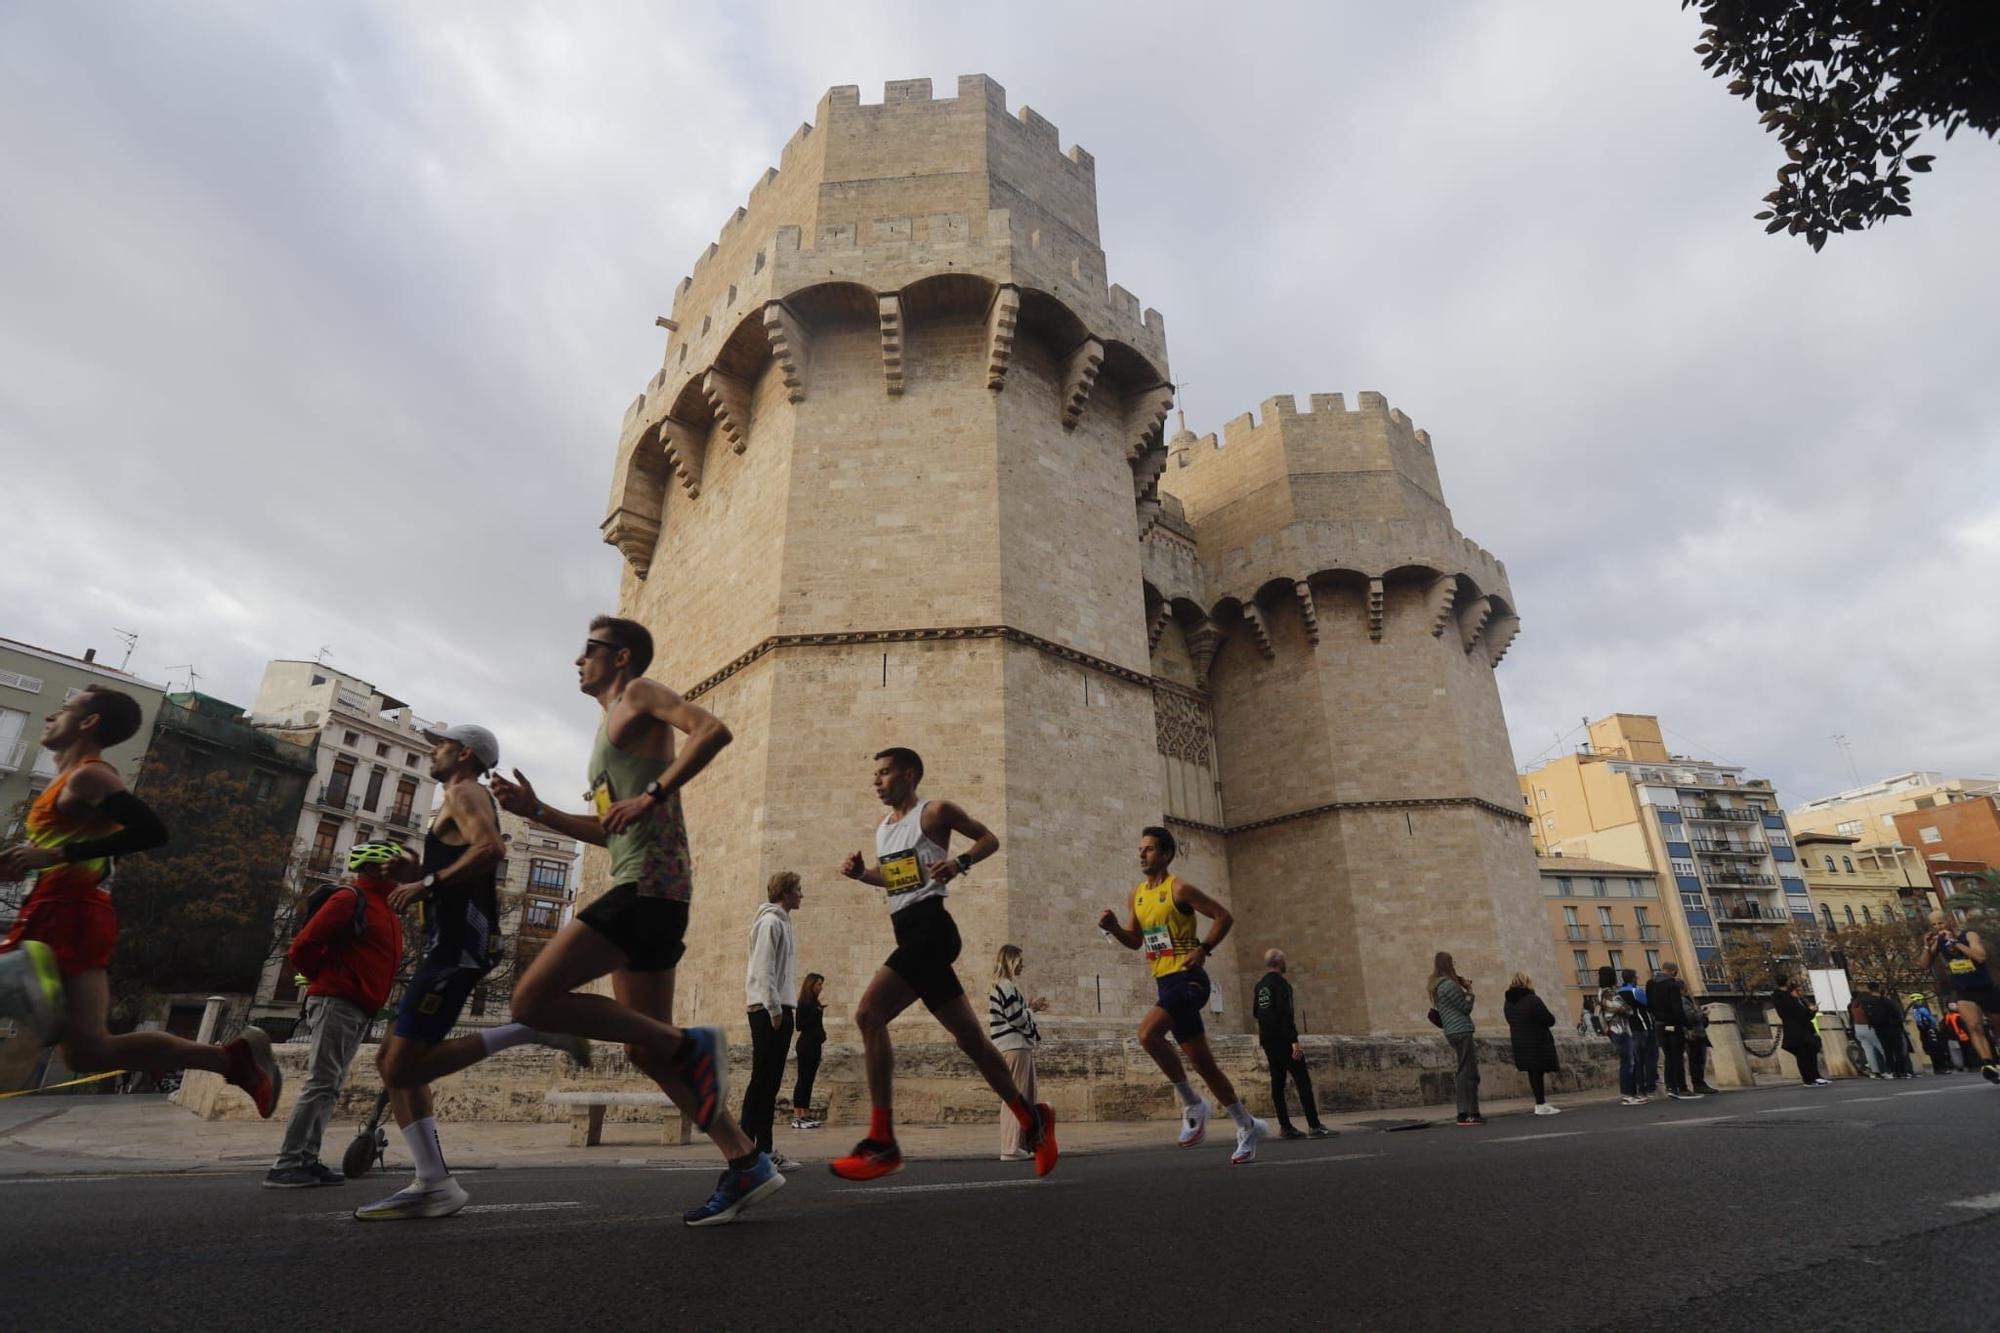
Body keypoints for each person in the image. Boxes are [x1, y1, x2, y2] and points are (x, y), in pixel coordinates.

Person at [492, 615, 784, 1227]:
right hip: (648, 886)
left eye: (589, 649)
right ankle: (746, 1158)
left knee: (530, 1001)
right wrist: (536, 809)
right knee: (644, 1049)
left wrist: (652, 794)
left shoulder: (639, 694)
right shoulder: (606, 732)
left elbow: (713, 729)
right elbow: (607, 830)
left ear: (621, 657)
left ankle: (690, 1043)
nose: (578, 659)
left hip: (647, 886)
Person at [0, 687, 282, 1111]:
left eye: (65, 709)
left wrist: (56, 855)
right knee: (88, 1052)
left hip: (68, 915)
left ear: (89, 722)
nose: (50, 716)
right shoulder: (67, 779)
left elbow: (152, 831)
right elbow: (70, 843)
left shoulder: (90, 775)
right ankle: (231, 1058)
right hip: (62, 910)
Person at [354, 723, 589, 1221]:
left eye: (438, 744)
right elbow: (467, 864)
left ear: (463, 754)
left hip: (458, 946)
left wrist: (428, 882)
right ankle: (432, 1181)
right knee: (389, 1062)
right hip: (450, 942)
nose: (430, 750)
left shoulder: (465, 792)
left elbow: (491, 851)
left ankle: (530, 1030)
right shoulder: (456, 798)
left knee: (400, 1067)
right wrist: (416, 875)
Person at [833, 747, 1056, 1180]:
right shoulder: (883, 828)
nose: (876, 781)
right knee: (971, 1040)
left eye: (884, 773)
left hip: (932, 930)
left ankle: (881, 1142)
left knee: (868, 1015)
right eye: (874, 775)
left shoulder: (934, 812)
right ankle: (1032, 1121)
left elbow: (988, 838)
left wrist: (959, 862)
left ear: (909, 775)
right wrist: (863, 874)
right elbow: (895, 877)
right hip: (909, 931)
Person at [1100, 826, 1269, 1161]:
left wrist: (1204, 948)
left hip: (1189, 981)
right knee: (1203, 1063)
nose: (1141, 854)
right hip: (1164, 982)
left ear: (1165, 854)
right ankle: (1247, 1123)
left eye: (1148, 849)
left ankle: (1193, 1103)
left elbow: (1224, 916)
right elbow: (1136, 941)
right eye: (1140, 849)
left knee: (1147, 1034)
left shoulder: (1180, 889)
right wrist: (1114, 928)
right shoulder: (1136, 895)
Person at [264, 841, 406, 1187]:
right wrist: (329, 980)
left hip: (357, 1005)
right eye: (394, 869)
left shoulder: (385, 909)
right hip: (338, 1001)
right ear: (374, 869)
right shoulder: (349, 899)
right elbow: (302, 946)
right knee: (321, 1083)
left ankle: (307, 1160)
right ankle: (286, 1164)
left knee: (331, 1085)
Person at [741, 871, 802, 1168]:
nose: (802, 895)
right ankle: (743, 1149)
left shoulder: (782, 923)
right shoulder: (769, 923)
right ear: (785, 893)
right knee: (762, 1081)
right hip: (768, 1012)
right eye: (798, 890)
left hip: (778, 1010)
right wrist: (775, 1010)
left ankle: (762, 1150)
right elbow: (764, 968)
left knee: (769, 1083)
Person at [1254, 949, 1332, 1138]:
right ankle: (1314, 1125)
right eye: (1284, 960)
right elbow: (1285, 1014)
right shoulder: (1281, 984)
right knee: (1302, 1081)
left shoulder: (1260, 985)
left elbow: (1257, 1012)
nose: (1286, 963)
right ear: (1279, 962)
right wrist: (1294, 1042)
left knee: (1277, 1083)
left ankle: (1285, 1126)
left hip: (1268, 1040)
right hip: (1283, 1040)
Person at [1920, 911, 2000, 1081]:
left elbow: (1980, 957)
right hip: (1964, 990)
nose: (1938, 927)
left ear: (1949, 920)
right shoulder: (1939, 941)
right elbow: (1925, 965)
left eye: (1940, 923)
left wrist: (1956, 943)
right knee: (1974, 1026)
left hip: (1985, 987)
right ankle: (1988, 1063)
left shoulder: (1968, 935)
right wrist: (1927, 946)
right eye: (1934, 925)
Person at [988, 944, 1047, 1161]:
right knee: (1017, 1096)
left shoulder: (1001, 986)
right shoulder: (1006, 986)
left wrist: (1028, 1008)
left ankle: (1019, 1144)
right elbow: (1018, 1019)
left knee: (1022, 1095)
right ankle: (1012, 1147)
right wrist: (1033, 1009)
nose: (1022, 965)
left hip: (1013, 1046)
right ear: (1011, 961)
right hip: (1015, 1046)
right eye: (1019, 961)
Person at [1429, 952, 1483, 1126]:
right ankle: (1469, 1113)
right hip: (1461, 1030)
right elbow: (1465, 1008)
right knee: (1469, 1073)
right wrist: (1469, 991)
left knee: (1464, 1071)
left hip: (1452, 1031)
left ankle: (1465, 1112)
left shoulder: (1437, 985)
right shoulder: (1448, 985)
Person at [1501, 972, 1561, 1115]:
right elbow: (1548, 1019)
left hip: (1520, 1041)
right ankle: (1541, 1104)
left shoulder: (1508, 1003)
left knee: (1533, 1072)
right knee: (1537, 1071)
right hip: (1537, 1040)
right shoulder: (1532, 1000)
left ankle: (1540, 1103)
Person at [1648, 963, 1701, 1100]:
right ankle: (1681, 1088)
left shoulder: (1650, 983)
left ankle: (1670, 1086)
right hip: (1673, 1023)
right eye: (1675, 972)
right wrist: (1687, 1027)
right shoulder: (1672, 985)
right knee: (1677, 1056)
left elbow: (1650, 1005)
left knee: (1668, 1057)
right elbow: (1677, 1008)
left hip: (1659, 1024)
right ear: (1672, 971)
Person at [1596, 965, 1643, 1105]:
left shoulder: (1606, 992)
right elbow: (1621, 1008)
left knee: (1630, 1061)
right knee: (1627, 1062)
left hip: (1618, 1029)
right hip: (1618, 1030)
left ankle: (1632, 1093)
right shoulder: (1607, 992)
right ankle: (1628, 1094)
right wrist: (1627, 1008)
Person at [1773, 979, 1830, 1086]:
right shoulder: (1789, 1002)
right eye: (1798, 990)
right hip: (1798, 1033)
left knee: (1811, 1055)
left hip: (1806, 1031)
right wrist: (1808, 1011)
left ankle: (1816, 1076)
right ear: (1792, 991)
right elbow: (1799, 1015)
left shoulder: (1801, 1001)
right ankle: (1808, 1079)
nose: (1801, 992)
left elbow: (1807, 1016)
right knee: (1803, 1056)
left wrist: (1812, 1011)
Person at [790, 973, 826, 1128]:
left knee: (809, 1080)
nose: (821, 987)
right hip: (805, 1045)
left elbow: (817, 1024)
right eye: (818, 984)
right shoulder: (803, 1003)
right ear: (811, 985)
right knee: (803, 1079)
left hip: (815, 1044)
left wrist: (823, 1035)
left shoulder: (815, 1003)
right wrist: (816, 1013)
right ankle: (797, 1116)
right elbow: (799, 1025)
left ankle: (805, 1114)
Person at [1617, 969, 1659, 1098]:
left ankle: (1640, 1086)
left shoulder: (1618, 994)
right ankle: (1651, 1086)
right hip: (1644, 1028)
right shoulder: (1636, 991)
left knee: (1637, 1060)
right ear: (1633, 978)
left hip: (1629, 1030)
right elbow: (1649, 1006)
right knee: (1650, 1058)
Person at [1682, 988, 1720, 1095]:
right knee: (1696, 1060)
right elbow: (1690, 1016)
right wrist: (1703, 1014)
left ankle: (1699, 1083)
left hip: (1697, 1033)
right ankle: (1698, 1084)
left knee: (1699, 1060)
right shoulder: (1683, 1000)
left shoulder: (1686, 1000)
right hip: (1695, 1034)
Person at [1848, 992, 1888, 1077]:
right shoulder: (1866, 1003)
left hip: (1857, 1028)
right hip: (1868, 1027)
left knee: (1868, 1051)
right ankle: (1889, 1070)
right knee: (1882, 1048)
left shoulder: (1852, 1005)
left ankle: (1875, 1072)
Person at [1909, 993, 1951, 1075]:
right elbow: (1930, 1018)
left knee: (1931, 1048)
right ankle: (1941, 1067)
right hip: (1929, 1029)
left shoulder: (1915, 1010)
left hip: (1924, 1030)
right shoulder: (1921, 1009)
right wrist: (1934, 1025)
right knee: (1936, 1048)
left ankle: (1938, 1068)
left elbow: (1919, 1022)